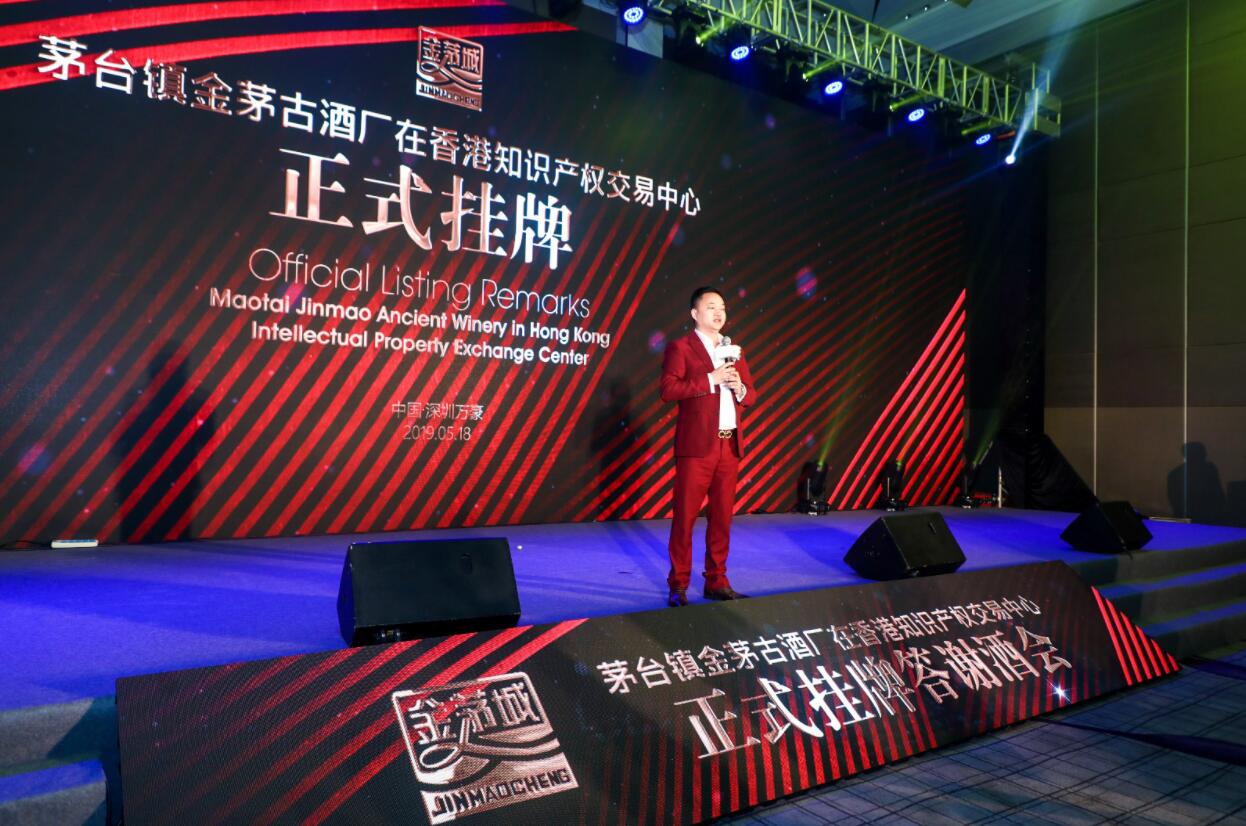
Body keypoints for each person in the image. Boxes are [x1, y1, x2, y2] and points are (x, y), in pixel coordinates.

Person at [660, 286, 756, 606]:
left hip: (729, 445)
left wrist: (740, 388)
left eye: (723, 307)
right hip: (698, 447)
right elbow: (668, 390)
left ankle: (717, 580)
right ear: (695, 313)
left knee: (722, 518)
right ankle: (678, 584)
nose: (719, 312)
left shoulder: (733, 350)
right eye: (712, 306)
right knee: (685, 517)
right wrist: (711, 379)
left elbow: (752, 395)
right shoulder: (681, 347)